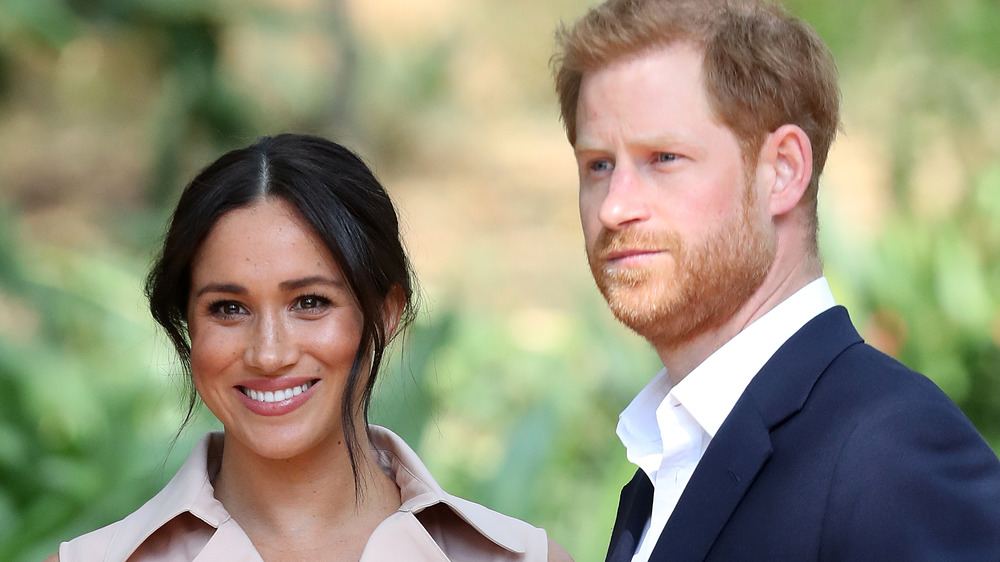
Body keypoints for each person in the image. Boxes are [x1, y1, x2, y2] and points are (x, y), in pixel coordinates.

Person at [551, 0, 1000, 560]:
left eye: (663, 157)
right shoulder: (667, 463)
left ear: (783, 170)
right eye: (598, 164)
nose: (615, 207)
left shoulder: (889, 454)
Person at [48, 134, 573, 561]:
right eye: (229, 308)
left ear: (385, 314)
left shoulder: (521, 559)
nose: (269, 354)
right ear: (188, 325)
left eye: (310, 302)